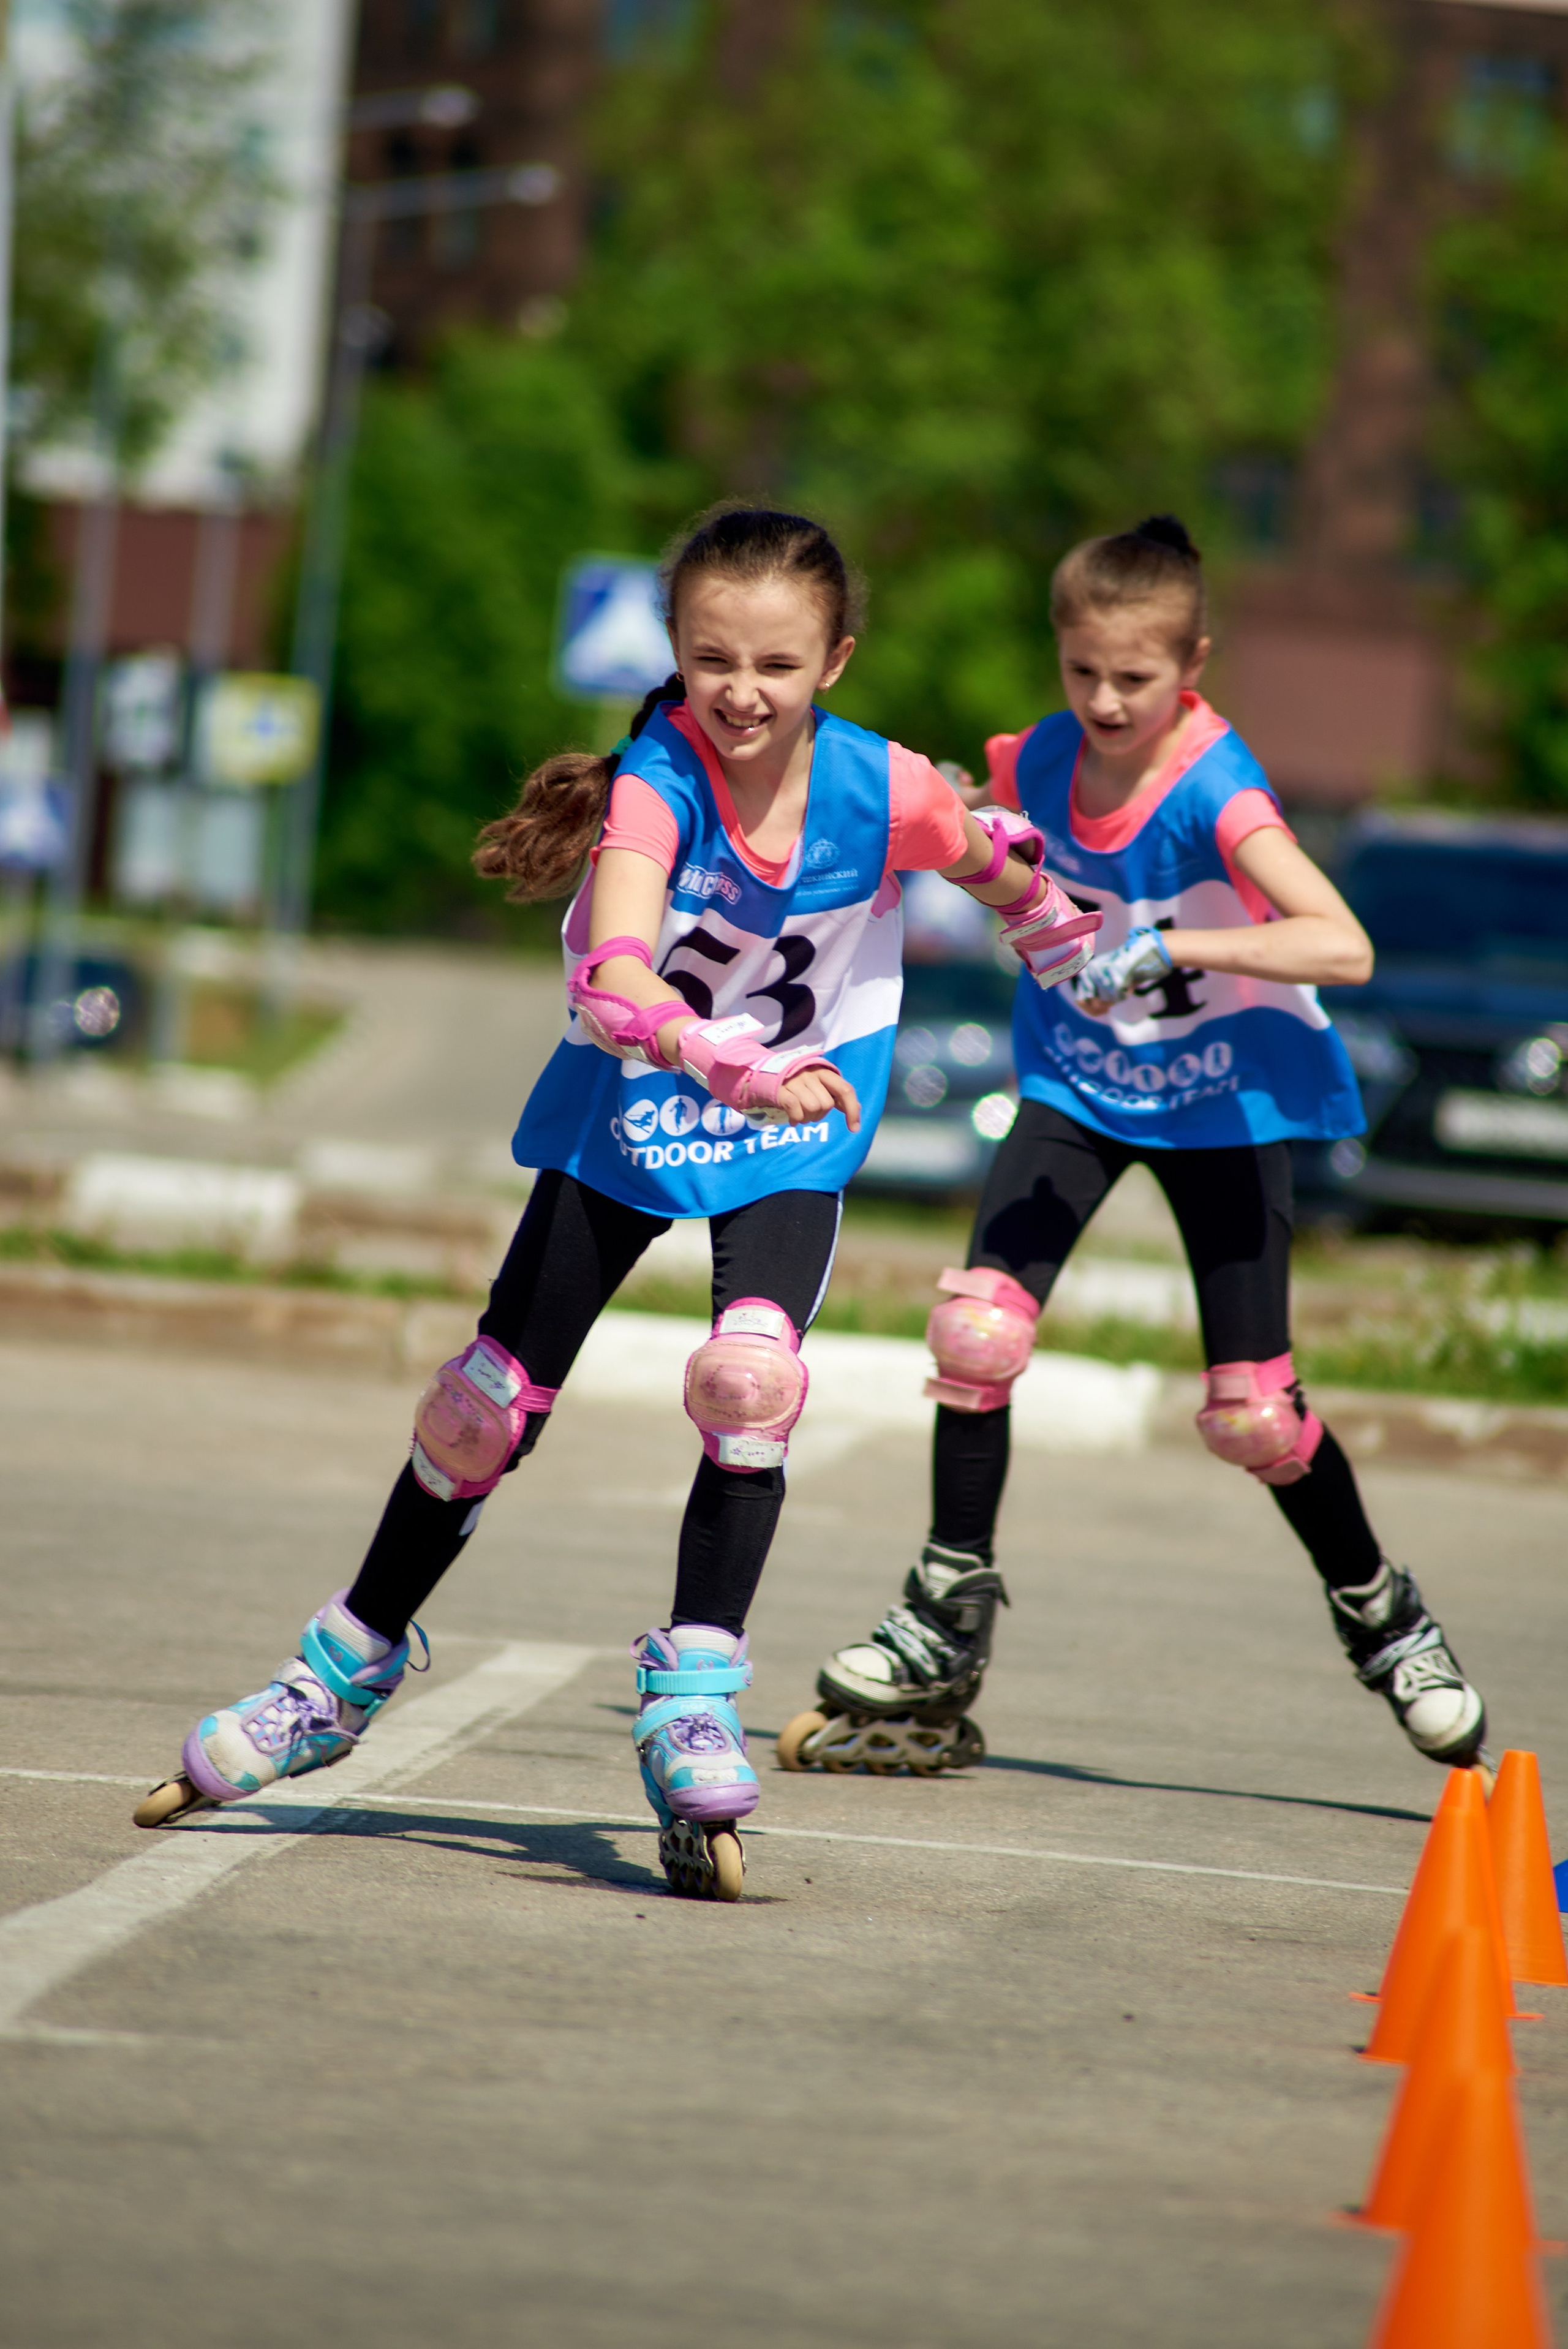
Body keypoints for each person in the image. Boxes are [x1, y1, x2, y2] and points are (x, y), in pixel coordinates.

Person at [132, 502, 1097, 1900]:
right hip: (639, 1109)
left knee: (751, 1383)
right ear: (676, 653)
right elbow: (617, 970)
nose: (742, 692)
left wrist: (1053, 920)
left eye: (776, 662)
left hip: (788, 1137)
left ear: (836, 655)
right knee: (480, 1408)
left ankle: (692, 1697)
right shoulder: (658, 777)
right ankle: (336, 1674)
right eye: (712, 658)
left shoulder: (887, 789)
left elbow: (989, 858)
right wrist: (721, 1056)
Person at [781, 515, 1490, 1782]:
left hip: (1222, 1103)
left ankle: (1386, 1620)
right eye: (1081, 673)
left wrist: (1182, 941)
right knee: (975, 1332)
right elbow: (986, 831)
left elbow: (1342, 945)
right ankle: (943, 1613)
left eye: (1135, 679)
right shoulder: (1046, 758)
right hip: (1078, 1083)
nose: (1103, 702)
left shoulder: (1217, 790)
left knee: (1254, 1415)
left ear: (1191, 665)